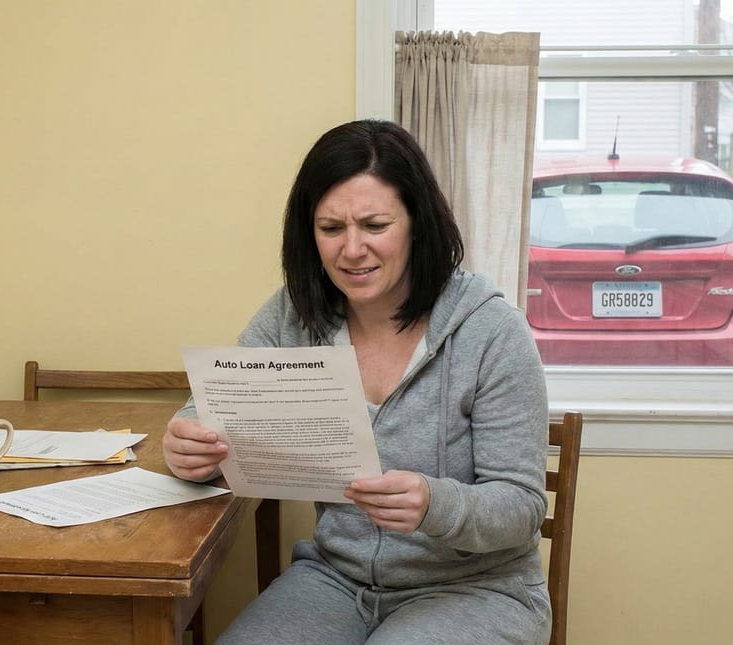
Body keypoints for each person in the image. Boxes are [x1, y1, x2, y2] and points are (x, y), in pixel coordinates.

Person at [163, 119, 551, 645]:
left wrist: (436, 504)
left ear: (417, 224)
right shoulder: (293, 315)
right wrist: (188, 442)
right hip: (335, 579)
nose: (351, 250)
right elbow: (210, 409)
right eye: (331, 229)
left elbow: (522, 507)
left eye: (374, 225)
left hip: (476, 588)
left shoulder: (492, 331)